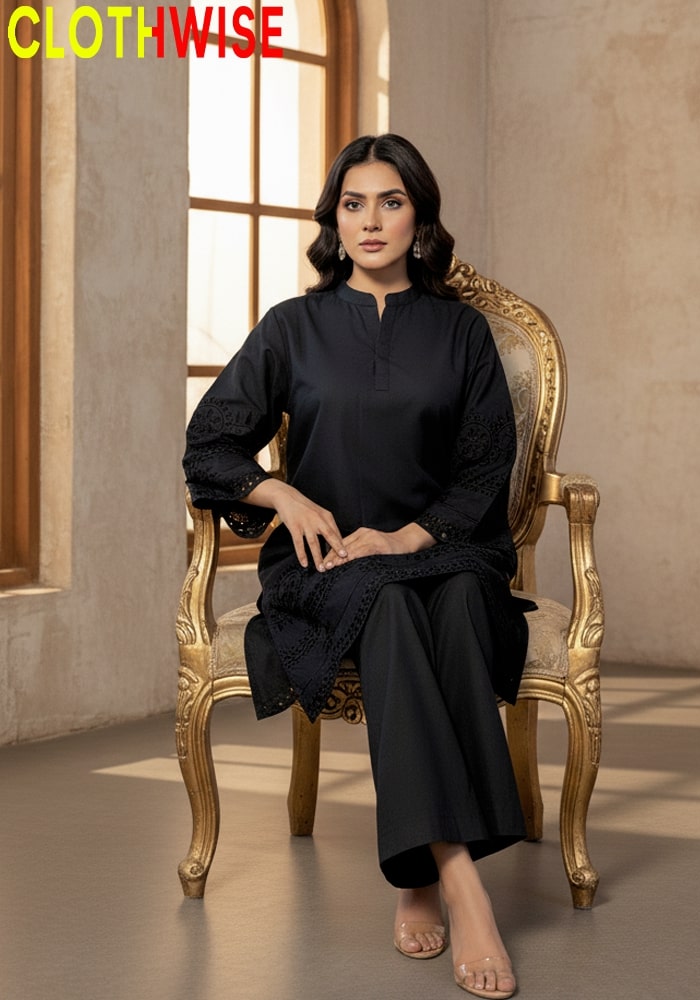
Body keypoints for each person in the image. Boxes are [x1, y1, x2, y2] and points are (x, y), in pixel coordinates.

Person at [183, 134, 535, 999]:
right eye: (353, 203)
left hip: (443, 548)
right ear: (333, 222)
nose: (370, 220)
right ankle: (458, 879)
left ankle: (419, 871)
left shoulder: (461, 333)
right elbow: (211, 443)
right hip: (325, 560)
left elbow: (489, 468)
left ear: (419, 218)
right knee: (380, 601)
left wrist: (409, 536)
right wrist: (285, 498)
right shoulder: (292, 329)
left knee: (451, 601)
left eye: (390, 202)